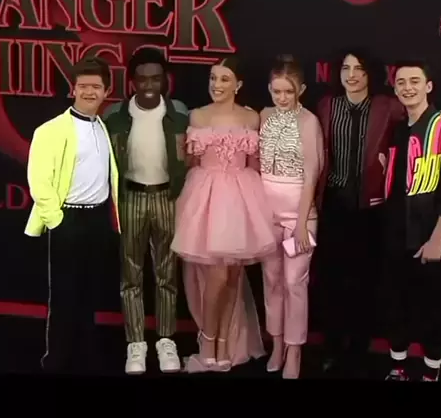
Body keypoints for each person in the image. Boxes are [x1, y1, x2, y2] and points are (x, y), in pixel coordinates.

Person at [170, 56, 276, 373]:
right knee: (217, 275)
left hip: (242, 197)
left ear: (238, 85)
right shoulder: (198, 116)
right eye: (213, 78)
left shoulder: (251, 117)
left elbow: (255, 163)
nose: (217, 85)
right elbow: (190, 162)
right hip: (207, 196)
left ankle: (223, 343)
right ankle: (208, 341)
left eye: (224, 79)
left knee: (232, 275)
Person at [25, 56, 120, 375]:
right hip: (68, 219)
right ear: (73, 89)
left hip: (98, 220)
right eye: (83, 86)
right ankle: (56, 362)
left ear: (107, 91)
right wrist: (57, 221)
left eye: (96, 87)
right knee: (64, 296)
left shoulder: (102, 127)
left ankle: (87, 360)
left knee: (91, 294)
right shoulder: (51, 130)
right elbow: (39, 182)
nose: (89, 92)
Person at [313, 47, 405, 376]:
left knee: (365, 282)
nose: (351, 75)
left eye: (359, 69)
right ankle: (332, 346)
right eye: (346, 68)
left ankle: (358, 348)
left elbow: (416, 126)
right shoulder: (327, 105)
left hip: (370, 210)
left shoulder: (387, 106)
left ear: (370, 74)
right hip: (334, 204)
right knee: (332, 280)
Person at [102, 48, 188, 374]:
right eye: (142, 79)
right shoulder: (115, 116)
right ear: (132, 82)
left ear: (166, 80)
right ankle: (135, 344)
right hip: (131, 198)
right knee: (131, 275)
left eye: (155, 78)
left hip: (167, 197)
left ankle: (166, 340)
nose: (149, 85)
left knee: (167, 274)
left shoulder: (179, 113)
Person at [382, 60, 441, 382]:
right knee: (397, 305)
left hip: (432, 238)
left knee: (433, 309)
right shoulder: (397, 130)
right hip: (397, 235)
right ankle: (398, 367)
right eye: (402, 82)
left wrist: (436, 240)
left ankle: (431, 372)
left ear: (428, 86)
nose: (408, 87)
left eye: (415, 81)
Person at [259, 55, 324, 379]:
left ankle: (295, 350)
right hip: (266, 214)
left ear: (301, 90)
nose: (282, 98)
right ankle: (277, 344)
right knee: (271, 281)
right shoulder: (264, 116)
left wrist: (300, 223)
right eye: (277, 91)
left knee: (294, 283)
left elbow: (312, 174)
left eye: (289, 91)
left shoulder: (309, 121)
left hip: (300, 216)